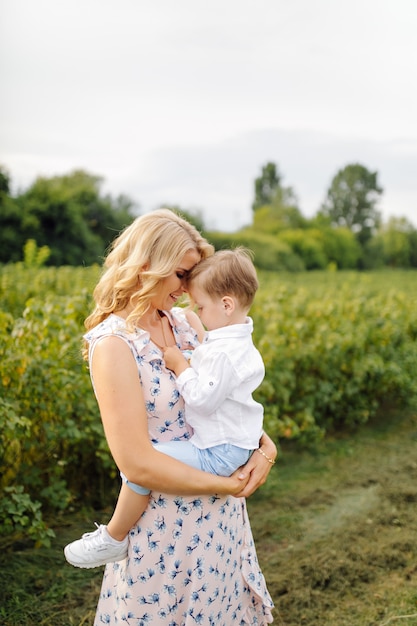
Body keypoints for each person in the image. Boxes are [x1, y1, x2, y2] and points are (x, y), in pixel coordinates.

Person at [64, 209, 275, 625]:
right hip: (163, 528)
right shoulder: (115, 345)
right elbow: (136, 463)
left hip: (220, 520)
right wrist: (226, 484)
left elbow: (220, 399)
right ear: (147, 266)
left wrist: (265, 447)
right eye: (181, 274)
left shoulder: (188, 321)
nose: (189, 286)